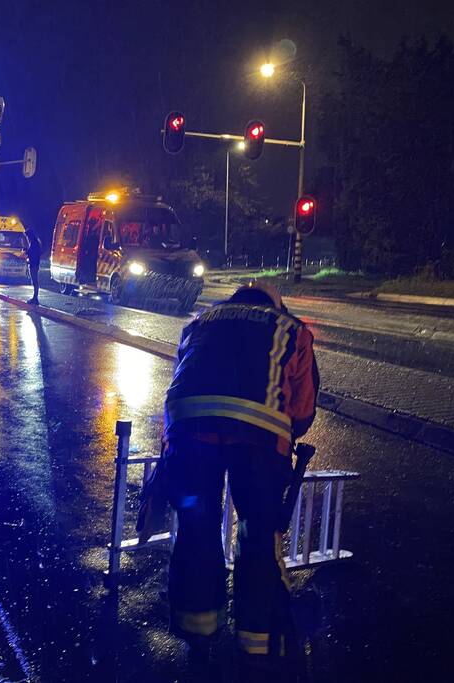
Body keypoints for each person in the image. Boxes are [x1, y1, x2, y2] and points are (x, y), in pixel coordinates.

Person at [144, 282, 319, 681]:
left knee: (196, 529)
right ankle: (256, 646)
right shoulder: (290, 328)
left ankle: (199, 636)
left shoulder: (199, 323)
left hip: (189, 429)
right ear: (276, 304)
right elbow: (303, 411)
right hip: (258, 442)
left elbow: (182, 382)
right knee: (258, 536)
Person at [24, 229, 43, 304]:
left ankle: (35, 298)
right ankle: (35, 297)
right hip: (34, 263)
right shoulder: (35, 242)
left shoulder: (34, 243)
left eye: (27, 236)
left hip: (34, 264)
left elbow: (33, 253)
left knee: (35, 281)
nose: (27, 238)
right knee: (34, 281)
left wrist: (27, 252)